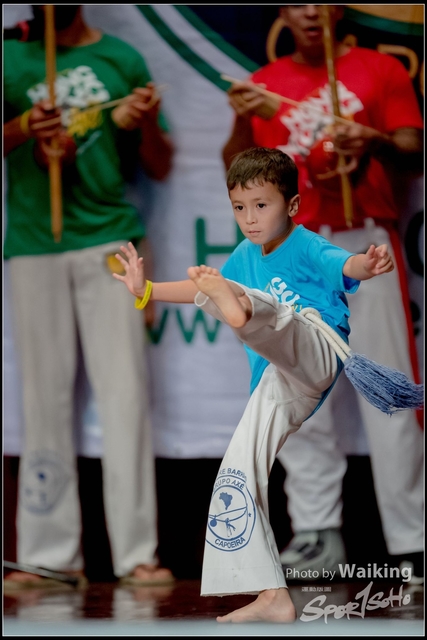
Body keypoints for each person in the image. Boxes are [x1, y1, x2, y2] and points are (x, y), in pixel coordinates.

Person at [113, 147, 396, 622]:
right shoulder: (246, 255)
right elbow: (201, 287)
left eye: (261, 205)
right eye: (239, 208)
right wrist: (147, 290)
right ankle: (272, 593)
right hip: (280, 382)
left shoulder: (305, 244)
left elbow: (346, 265)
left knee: (271, 312)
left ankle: (243, 312)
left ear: (291, 206)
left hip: (315, 349)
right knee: (238, 475)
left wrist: (368, 265)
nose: (249, 218)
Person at [221, 4, 424, 579]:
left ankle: (411, 537)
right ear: (284, 13)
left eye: (320, 2)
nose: (310, 11)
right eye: (297, 3)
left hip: (363, 241)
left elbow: (414, 151)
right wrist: (242, 121)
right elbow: (237, 174)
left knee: (386, 384)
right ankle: (315, 532)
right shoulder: (264, 83)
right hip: (292, 248)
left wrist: (373, 140)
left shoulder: (380, 69)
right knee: (293, 388)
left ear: (337, 8)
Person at [4, 5, 174, 588]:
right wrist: (25, 128)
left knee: (125, 393)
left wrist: (140, 124)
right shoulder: (10, 55)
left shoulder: (120, 59)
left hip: (108, 237)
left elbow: (162, 163)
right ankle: (50, 558)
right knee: (42, 399)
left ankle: (137, 555)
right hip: (34, 240)